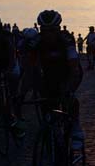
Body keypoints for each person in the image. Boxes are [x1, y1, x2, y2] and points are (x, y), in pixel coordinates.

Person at [32, 10, 84, 147]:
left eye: (52, 31)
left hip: (69, 72)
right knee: (46, 101)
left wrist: (68, 88)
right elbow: (29, 67)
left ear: (58, 29)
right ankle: (51, 133)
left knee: (68, 98)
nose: (48, 35)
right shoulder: (36, 41)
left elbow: (74, 68)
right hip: (49, 75)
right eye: (44, 31)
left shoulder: (66, 40)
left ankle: (75, 126)